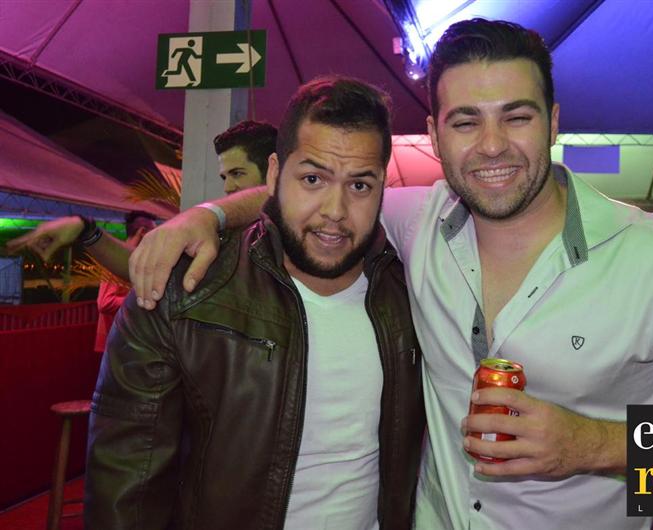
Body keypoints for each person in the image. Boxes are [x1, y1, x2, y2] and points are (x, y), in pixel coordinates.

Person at [126, 19, 653, 530]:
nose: (492, 145)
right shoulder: (417, 221)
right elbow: (319, 193)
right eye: (467, 121)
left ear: (554, 122)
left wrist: (593, 445)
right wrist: (206, 216)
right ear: (435, 135)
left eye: (517, 117)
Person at [84, 77, 424, 529]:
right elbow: (126, 485)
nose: (335, 210)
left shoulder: (412, 287)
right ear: (274, 174)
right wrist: (208, 214)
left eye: (360, 186)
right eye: (312, 179)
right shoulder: (183, 293)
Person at [4, 120, 277, 279]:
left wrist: (210, 214)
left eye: (237, 174)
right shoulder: (220, 235)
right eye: (224, 176)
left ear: (274, 169)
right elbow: (142, 266)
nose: (228, 187)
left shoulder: (293, 234)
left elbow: (275, 197)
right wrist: (84, 229)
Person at [94, 210, 156, 353]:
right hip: (116, 343)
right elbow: (104, 303)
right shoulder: (117, 257)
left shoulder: (137, 258)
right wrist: (142, 299)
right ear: (143, 232)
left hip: (128, 340)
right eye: (154, 232)